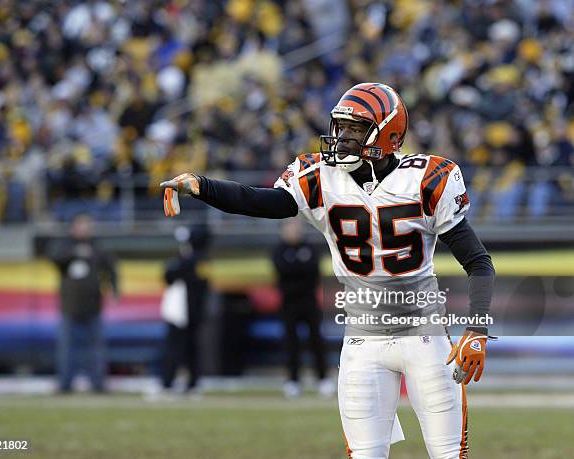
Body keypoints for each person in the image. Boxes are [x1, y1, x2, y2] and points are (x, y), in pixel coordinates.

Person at [161, 83, 495, 458]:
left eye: (355, 129)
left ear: (388, 134)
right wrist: (202, 186)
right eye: (341, 127)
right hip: (362, 343)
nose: (342, 137)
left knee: (450, 454)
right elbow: (261, 201)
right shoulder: (321, 177)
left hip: (427, 339)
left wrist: (478, 328)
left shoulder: (426, 180)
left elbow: (479, 262)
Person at [47, 213, 118, 393]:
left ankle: (98, 384)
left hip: (93, 306)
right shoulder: (65, 245)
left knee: (95, 350)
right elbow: (53, 257)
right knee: (67, 350)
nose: (85, 229)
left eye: (87, 226)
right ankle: (65, 384)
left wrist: (115, 289)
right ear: (73, 227)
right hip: (70, 307)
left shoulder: (97, 247)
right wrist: (74, 252)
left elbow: (111, 268)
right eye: (81, 225)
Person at [272, 218, 333, 399]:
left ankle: (323, 380)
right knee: (291, 343)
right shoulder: (279, 250)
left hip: (309, 302)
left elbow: (313, 272)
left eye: (296, 228)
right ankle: (293, 381)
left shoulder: (310, 248)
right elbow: (282, 271)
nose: (293, 231)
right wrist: (298, 273)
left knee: (316, 341)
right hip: (289, 304)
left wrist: (295, 274)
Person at [157, 225, 210, 397]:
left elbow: (170, 274)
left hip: (187, 311)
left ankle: (172, 382)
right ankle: (188, 382)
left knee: (179, 347)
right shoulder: (196, 260)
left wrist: (179, 262)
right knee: (186, 347)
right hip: (188, 310)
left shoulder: (195, 260)